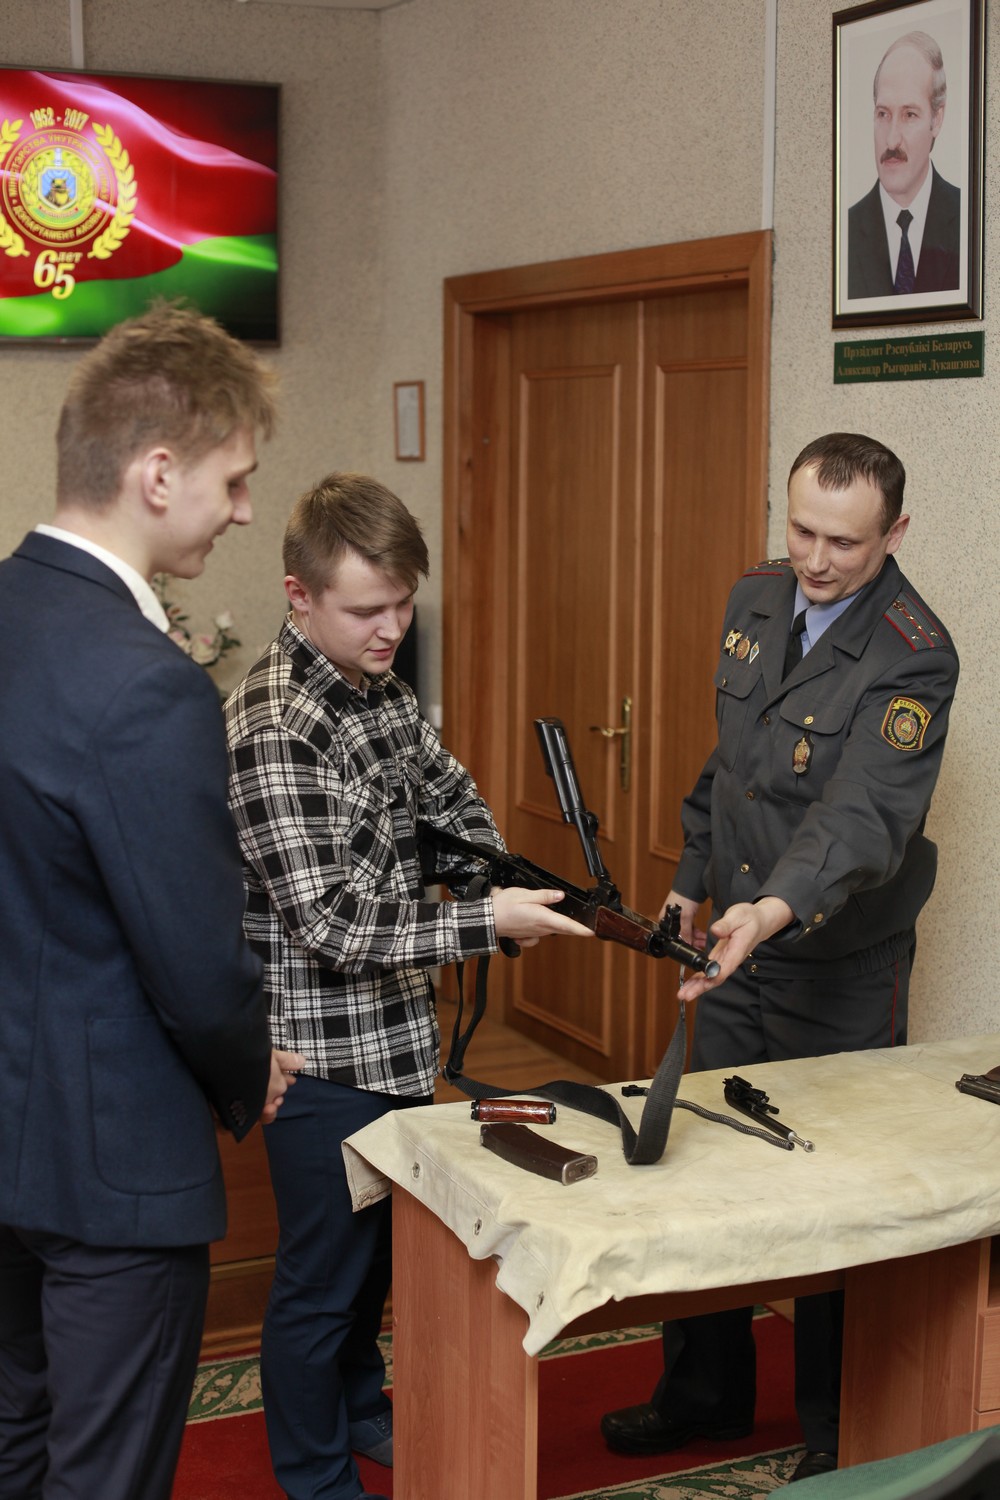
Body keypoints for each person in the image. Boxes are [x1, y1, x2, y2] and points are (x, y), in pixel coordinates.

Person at [224, 471, 592, 1500]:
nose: (391, 628)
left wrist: (498, 876)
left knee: (375, 1265)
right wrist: (486, 920)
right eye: (365, 610)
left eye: (403, 602)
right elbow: (333, 924)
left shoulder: (376, 689)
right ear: (299, 595)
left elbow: (451, 801)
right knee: (320, 1283)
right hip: (317, 1061)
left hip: (395, 1041)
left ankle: (360, 1409)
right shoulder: (276, 722)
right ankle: (314, 1477)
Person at [600, 433, 959, 1485]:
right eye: (801, 530)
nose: (814, 560)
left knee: (830, 1199)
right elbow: (737, 762)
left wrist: (768, 908)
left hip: (834, 961)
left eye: (843, 542)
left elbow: (862, 816)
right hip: (735, 944)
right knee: (706, 1168)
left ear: (893, 534)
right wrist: (692, 872)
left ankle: (839, 1433)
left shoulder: (914, 654)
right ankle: (703, 1392)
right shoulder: (757, 596)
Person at [0, 303, 305, 1500]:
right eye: (234, 481)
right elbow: (195, 963)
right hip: (112, 1166)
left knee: (15, 1445)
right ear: (159, 472)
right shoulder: (146, 685)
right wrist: (250, 1066)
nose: (243, 510)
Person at [848, 31, 960, 299]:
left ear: (936, 119)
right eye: (883, 114)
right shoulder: (846, 231)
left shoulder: (967, 219)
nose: (891, 140)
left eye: (909, 115)